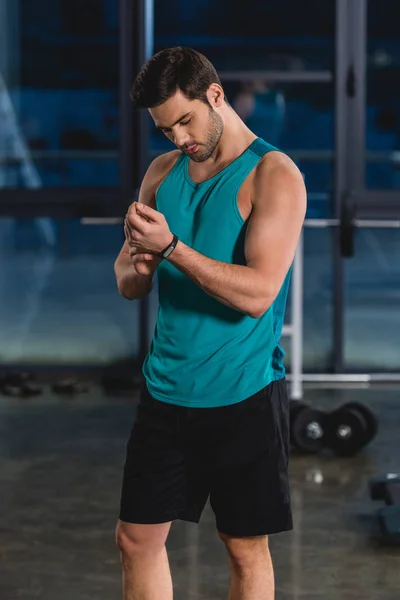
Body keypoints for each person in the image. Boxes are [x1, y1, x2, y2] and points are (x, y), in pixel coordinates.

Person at [114, 46, 306, 600]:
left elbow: (259, 294)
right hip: (166, 389)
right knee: (135, 541)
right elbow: (129, 285)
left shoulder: (273, 174)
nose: (178, 138)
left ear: (215, 96)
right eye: (164, 128)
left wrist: (170, 247)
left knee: (245, 550)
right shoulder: (162, 172)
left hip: (241, 392)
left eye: (184, 120)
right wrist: (141, 261)